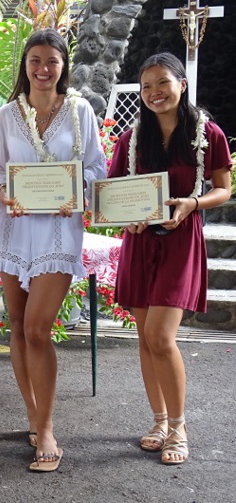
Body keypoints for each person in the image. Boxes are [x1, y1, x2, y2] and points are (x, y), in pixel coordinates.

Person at [0, 29, 107, 472]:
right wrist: (3, 193)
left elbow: (96, 166)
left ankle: (48, 428)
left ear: (63, 65)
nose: (43, 68)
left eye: (52, 60)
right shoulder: (5, 115)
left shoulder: (80, 110)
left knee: (37, 329)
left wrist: (78, 189)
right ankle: (33, 416)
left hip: (58, 232)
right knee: (17, 325)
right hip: (14, 230)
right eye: (35, 60)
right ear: (25, 65)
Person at [107, 52, 231, 465]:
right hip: (140, 243)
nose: (154, 92)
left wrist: (193, 203)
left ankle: (178, 426)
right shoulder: (131, 138)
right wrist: (126, 218)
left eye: (163, 82)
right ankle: (159, 421)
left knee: (161, 336)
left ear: (182, 84)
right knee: (146, 338)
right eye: (146, 86)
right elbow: (113, 191)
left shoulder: (207, 134)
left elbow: (223, 189)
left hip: (180, 241)